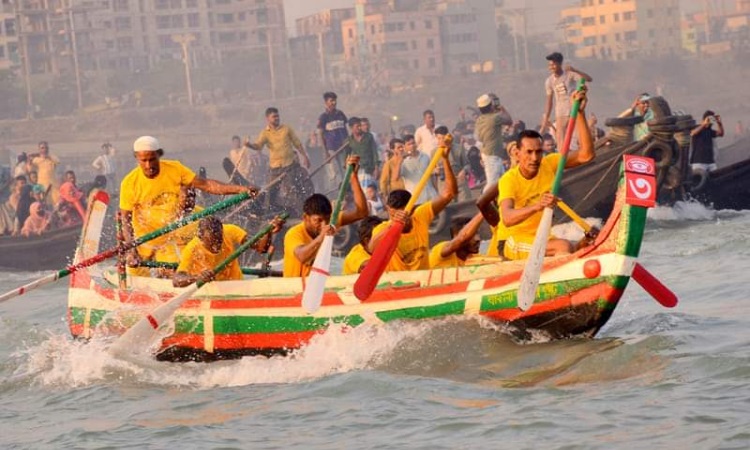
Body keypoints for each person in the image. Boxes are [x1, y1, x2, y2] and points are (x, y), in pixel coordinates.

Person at [120, 136, 258, 276]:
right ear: (137, 158)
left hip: (172, 233)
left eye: (152, 159)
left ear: (159, 155)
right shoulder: (130, 183)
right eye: (144, 161)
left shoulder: (175, 169)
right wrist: (131, 250)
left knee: (175, 270)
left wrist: (241, 190)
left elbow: (206, 185)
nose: (149, 165)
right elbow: (125, 220)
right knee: (134, 272)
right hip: (147, 236)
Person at [498, 89, 594, 261]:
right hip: (512, 241)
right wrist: (537, 206)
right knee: (563, 246)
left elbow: (586, 155)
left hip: (541, 237)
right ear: (517, 153)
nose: (534, 158)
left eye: (538, 152)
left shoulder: (548, 164)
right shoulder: (509, 179)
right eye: (529, 152)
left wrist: (580, 113)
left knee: (586, 242)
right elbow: (507, 218)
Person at [367, 142, 457, 272]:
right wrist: (393, 224)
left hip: (424, 279)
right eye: (393, 214)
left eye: (403, 213)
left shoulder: (420, 215)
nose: (400, 217)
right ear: (388, 210)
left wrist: (445, 159)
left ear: (411, 209)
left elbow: (449, 194)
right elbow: (371, 248)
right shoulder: (382, 228)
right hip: (398, 283)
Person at [282, 155, 368, 278]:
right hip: (295, 290)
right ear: (305, 217)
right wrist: (322, 237)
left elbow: (362, 212)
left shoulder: (331, 222)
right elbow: (302, 256)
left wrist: (353, 178)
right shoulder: (294, 234)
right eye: (318, 220)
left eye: (327, 219)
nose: (324, 225)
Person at [173, 215, 284, 287]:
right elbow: (177, 280)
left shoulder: (229, 231)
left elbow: (261, 248)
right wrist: (198, 278)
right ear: (201, 237)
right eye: (211, 243)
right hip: (211, 291)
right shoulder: (192, 249)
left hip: (235, 286)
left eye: (219, 241)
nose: (216, 246)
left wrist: (269, 230)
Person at [246, 107, 312, 213]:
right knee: (270, 192)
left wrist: (305, 157)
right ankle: (267, 214)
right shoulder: (265, 133)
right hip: (275, 168)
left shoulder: (286, 129)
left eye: (277, 116)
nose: (277, 118)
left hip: (289, 166)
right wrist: (249, 145)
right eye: (274, 117)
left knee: (292, 190)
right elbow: (258, 146)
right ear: (268, 118)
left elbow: (297, 143)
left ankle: (302, 213)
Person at [541, 52, 593, 148]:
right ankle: (563, 158)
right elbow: (549, 101)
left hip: (575, 109)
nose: (551, 67)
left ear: (559, 64)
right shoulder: (549, 81)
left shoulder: (569, 75)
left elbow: (588, 79)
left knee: (580, 137)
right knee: (561, 139)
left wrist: (575, 70)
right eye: (550, 65)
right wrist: (546, 117)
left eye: (553, 64)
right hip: (561, 112)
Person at [474, 93, 513, 193]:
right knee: (493, 183)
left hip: (489, 153)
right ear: (491, 106)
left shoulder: (480, 119)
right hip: (492, 155)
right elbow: (509, 121)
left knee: (503, 180)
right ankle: (483, 201)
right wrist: (503, 109)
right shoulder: (495, 118)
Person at [393, 134, 438, 204]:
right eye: (409, 144)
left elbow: (432, 175)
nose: (412, 146)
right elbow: (395, 178)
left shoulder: (425, 156)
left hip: (431, 195)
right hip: (416, 199)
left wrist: (436, 191)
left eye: (413, 143)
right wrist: (400, 161)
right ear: (404, 147)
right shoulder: (403, 162)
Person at [317, 91, 349, 189]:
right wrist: (325, 152)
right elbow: (320, 134)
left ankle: (347, 191)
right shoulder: (323, 117)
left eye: (335, 100)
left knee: (345, 170)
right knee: (334, 173)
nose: (333, 103)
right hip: (331, 149)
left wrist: (348, 142)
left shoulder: (341, 114)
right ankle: (334, 195)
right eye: (331, 101)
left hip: (343, 147)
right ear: (326, 102)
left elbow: (345, 129)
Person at [434, 125, 470, 202]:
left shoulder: (458, 148)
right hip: (444, 185)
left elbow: (467, 164)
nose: (442, 140)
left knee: (465, 206)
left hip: (459, 181)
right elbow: (431, 170)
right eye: (439, 138)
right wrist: (435, 171)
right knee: (450, 209)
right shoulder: (434, 152)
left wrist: (464, 171)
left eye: (443, 138)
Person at [345, 117, 380, 186]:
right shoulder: (349, 141)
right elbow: (346, 157)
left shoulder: (369, 137)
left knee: (372, 188)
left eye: (360, 126)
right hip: (358, 170)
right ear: (351, 128)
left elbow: (374, 153)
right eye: (357, 126)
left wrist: (376, 168)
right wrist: (348, 170)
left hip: (370, 168)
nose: (360, 128)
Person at [27, 141, 60, 206]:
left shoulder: (51, 159)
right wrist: (32, 158)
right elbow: (29, 169)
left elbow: (58, 161)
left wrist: (48, 156)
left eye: (46, 148)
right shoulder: (36, 160)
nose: (44, 149)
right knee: (44, 206)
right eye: (42, 148)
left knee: (57, 206)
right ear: (39, 149)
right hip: (42, 187)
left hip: (53, 187)